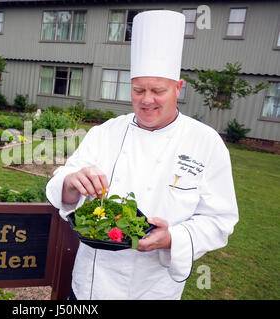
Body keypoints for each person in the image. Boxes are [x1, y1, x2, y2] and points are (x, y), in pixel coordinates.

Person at [45, 10, 239, 300]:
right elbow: (60, 186)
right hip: (90, 287)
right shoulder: (105, 132)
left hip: (153, 289)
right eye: (138, 90)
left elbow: (220, 220)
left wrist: (174, 237)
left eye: (157, 91)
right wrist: (72, 182)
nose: (147, 100)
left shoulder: (206, 143)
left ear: (178, 88)